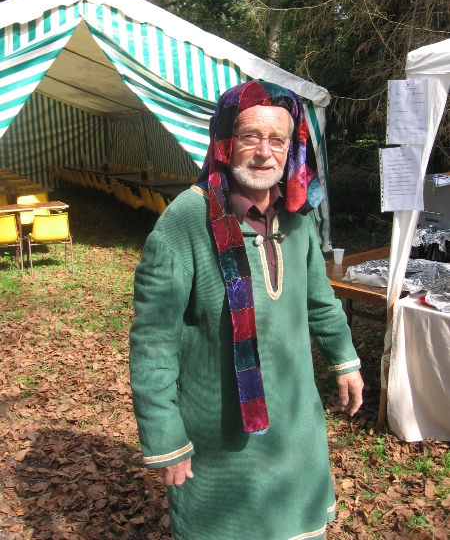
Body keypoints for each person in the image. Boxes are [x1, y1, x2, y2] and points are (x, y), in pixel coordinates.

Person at [130, 80, 364, 540]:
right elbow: (153, 339)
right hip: (221, 442)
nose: (264, 152)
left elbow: (320, 301)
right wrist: (165, 434)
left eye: (278, 140)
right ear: (225, 141)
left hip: (296, 428)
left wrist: (346, 361)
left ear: (291, 149)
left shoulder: (296, 218)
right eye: (251, 136)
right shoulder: (185, 220)